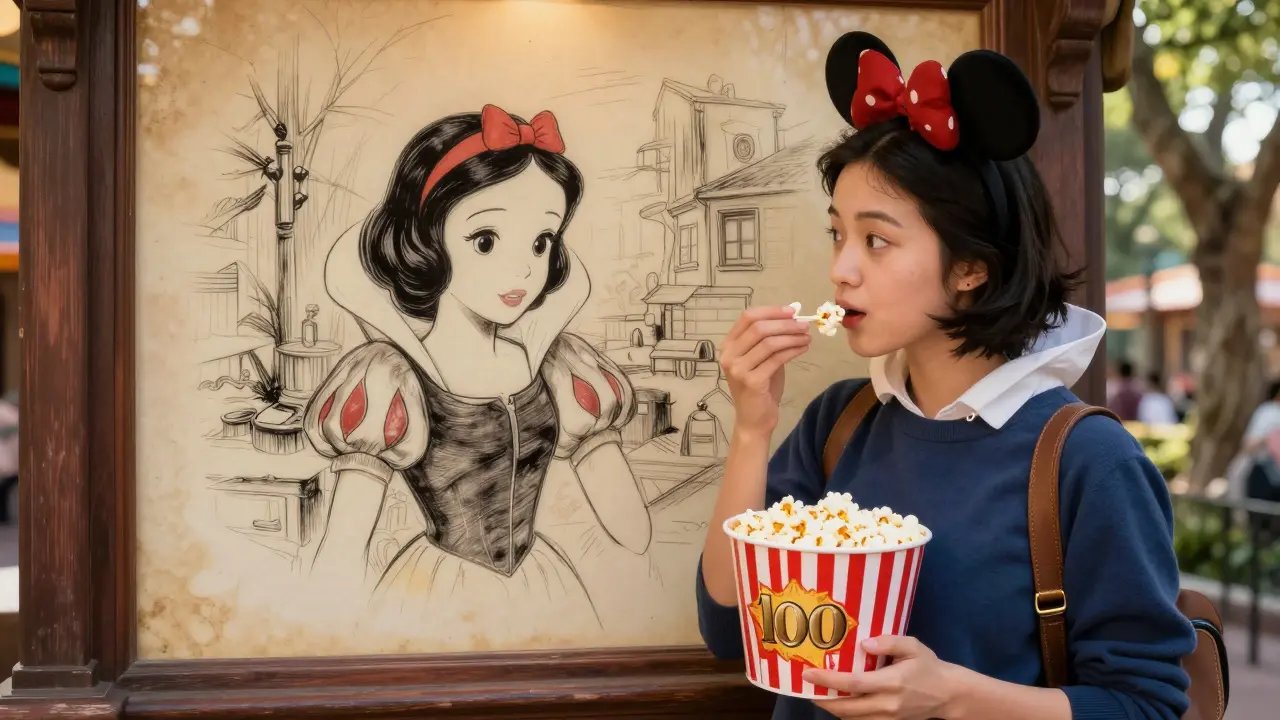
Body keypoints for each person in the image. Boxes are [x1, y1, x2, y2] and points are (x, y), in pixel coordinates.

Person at [696, 32, 1195, 720]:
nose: (842, 268)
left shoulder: (1087, 461)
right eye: (837, 233)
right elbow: (730, 630)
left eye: (877, 240)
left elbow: (1147, 706)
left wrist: (955, 696)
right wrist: (752, 427)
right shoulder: (840, 425)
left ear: (971, 266)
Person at [303, 105, 652, 637]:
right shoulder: (391, 380)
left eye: (542, 242)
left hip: (540, 586)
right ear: (427, 239)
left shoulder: (559, 367)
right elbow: (341, 554)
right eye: (485, 240)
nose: (523, 269)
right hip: (440, 596)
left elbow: (633, 529)